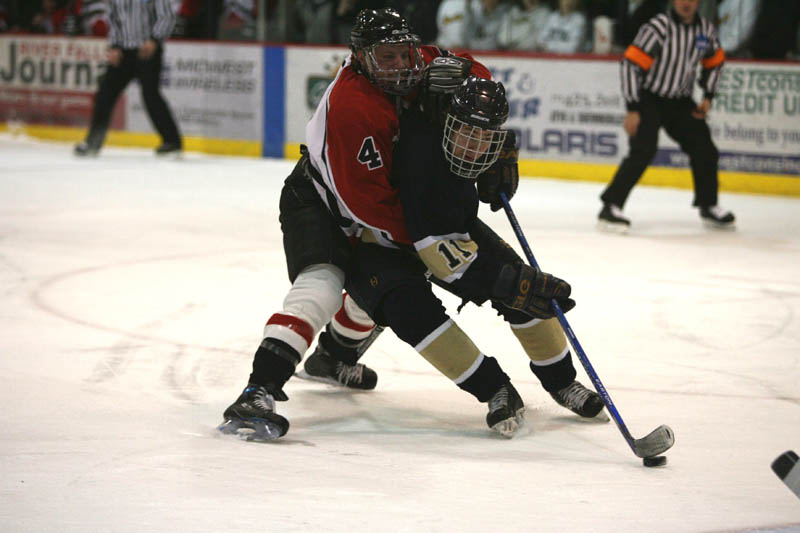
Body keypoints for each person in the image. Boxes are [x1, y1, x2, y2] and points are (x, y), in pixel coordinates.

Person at [219, 8, 494, 440]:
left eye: (403, 54)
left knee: (383, 286)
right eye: (386, 58)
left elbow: (476, 76)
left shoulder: (418, 61)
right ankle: (258, 390)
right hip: (319, 202)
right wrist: (424, 237)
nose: (400, 66)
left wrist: (466, 77)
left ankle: (332, 358)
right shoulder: (352, 105)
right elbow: (366, 203)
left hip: (371, 204)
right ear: (361, 59)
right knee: (323, 286)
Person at [344, 74, 605, 437]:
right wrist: (506, 283)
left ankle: (562, 382)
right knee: (413, 312)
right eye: (468, 132)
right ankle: (495, 389)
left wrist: (502, 153)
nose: (474, 144)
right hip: (380, 240)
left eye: (486, 136)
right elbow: (440, 257)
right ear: (448, 122)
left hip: (443, 227)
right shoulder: (423, 159)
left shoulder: (459, 136)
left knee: (524, 287)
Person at [598, 0, 734, 231]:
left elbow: (715, 61)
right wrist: (633, 108)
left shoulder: (705, 30)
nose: (686, 3)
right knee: (643, 151)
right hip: (649, 99)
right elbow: (631, 65)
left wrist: (708, 96)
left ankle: (708, 205)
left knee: (705, 149)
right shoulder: (658, 27)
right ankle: (610, 206)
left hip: (681, 102)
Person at [74, 0, 182, 157]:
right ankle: (93, 142)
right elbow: (113, 19)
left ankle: (172, 142)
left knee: (151, 95)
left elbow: (166, 15)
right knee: (104, 95)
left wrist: (154, 39)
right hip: (123, 52)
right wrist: (114, 46)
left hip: (147, 51)